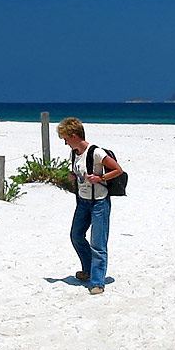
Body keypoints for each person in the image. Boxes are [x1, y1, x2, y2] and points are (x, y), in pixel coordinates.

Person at [57, 117, 124, 296]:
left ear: (74, 135)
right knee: (76, 235)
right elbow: (77, 170)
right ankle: (87, 269)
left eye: (65, 138)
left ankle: (97, 282)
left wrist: (100, 178)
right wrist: (72, 175)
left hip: (99, 202)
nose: (64, 142)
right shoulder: (74, 153)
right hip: (82, 202)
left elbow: (118, 170)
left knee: (98, 243)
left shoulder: (96, 152)